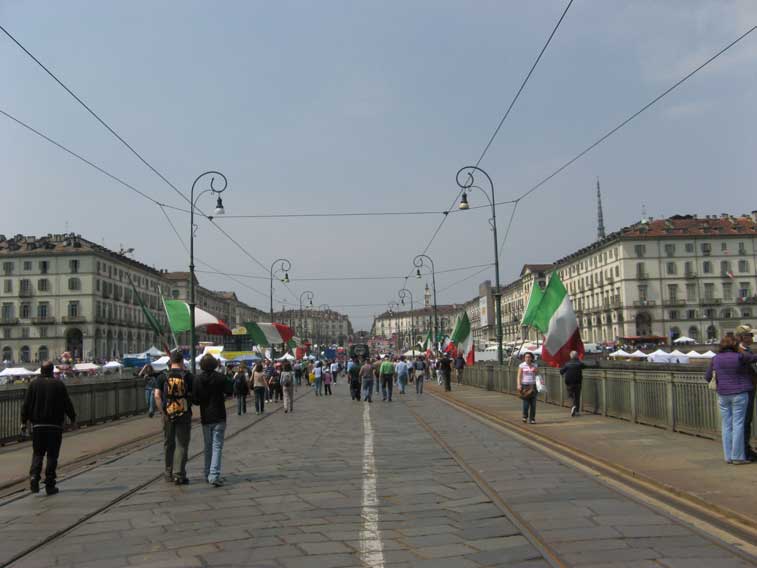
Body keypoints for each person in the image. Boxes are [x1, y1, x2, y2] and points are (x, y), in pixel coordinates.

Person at [20, 361, 77, 495]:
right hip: (55, 426)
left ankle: (34, 477)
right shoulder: (58, 384)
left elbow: (26, 405)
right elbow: (67, 403)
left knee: (38, 454)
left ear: (41, 371)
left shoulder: (33, 384)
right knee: (52, 455)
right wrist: (73, 419)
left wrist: (23, 422)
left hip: (38, 426)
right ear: (52, 371)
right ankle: (50, 483)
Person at [705, 334, 757, 464]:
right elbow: (753, 358)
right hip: (740, 393)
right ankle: (738, 457)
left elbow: (707, 377)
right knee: (738, 424)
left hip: (723, 394)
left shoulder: (715, 358)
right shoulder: (740, 357)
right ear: (735, 345)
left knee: (726, 425)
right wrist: (740, 350)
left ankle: (728, 456)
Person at [154, 350, 193, 484]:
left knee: (168, 443)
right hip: (184, 413)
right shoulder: (187, 376)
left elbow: (157, 396)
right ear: (182, 361)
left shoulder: (162, 376)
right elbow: (193, 394)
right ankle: (179, 474)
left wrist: (163, 412)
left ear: (170, 362)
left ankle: (168, 471)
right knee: (182, 444)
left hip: (168, 414)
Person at [193, 354, 227, 486]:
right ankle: (214, 475)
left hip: (205, 417)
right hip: (219, 415)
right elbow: (229, 391)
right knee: (217, 446)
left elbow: (195, 400)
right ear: (214, 364)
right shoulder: (220, 378)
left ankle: (207, 473)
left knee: (208, 447)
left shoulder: (197, 379)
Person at [735, 324, 757, 460]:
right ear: (742, 337)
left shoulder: (747, 350)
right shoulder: (740, 352)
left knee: (746, 420)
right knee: (745, 421)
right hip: (745, 389)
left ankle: (744, 449)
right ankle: (744, 451)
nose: (752, 337)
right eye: (750, 335)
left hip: (750, 388)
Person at [559, 351, 592, 417]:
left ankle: (573, 406)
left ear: (570, 356)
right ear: (577, 356)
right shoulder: (580, 364)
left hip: (569, 382)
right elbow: (587, 366)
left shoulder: (567, 364)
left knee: (570, 395)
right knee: (577, 396)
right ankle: (577, 411)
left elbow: (561, 371)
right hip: (578, 382)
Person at [517, 352, 538, 424]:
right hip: (525, 385)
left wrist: (536, 371)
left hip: (533, 385)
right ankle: (525, 416)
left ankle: (532, 419)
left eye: (529, 357)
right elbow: (519, 376)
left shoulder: (535, 365)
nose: (527, 358)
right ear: (524, 358)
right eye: (526, 357)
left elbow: (538, 374)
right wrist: (519, 384)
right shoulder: (522, 365)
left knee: (533, 404)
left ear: (532, 358)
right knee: (526, 403)